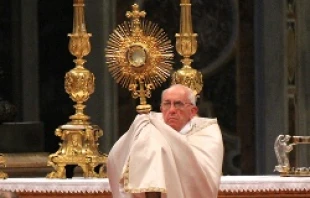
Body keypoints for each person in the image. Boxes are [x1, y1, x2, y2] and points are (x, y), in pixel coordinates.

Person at [107, 84, 224, 198]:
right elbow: (115, 156)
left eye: (178, 104)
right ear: (161, 109)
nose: (172, 110)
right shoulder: (149, 126)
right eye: (167, 104)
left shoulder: (207, 132)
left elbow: (203, 179)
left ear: (192, 111)